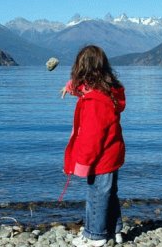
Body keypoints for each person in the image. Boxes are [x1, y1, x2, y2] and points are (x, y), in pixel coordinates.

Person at [61, 45, 126, 247]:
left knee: (96, 195)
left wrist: (83, 161)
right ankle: (114, 231)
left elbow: (92, 136)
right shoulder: (109, 90)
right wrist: (71, 86)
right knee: (109, 193)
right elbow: (85, 88)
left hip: (99, 156)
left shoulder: (95, 101)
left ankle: (95, 235)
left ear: (83, 69)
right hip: (112, 152)